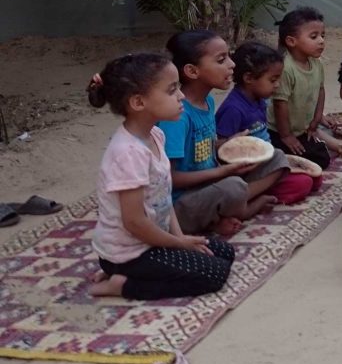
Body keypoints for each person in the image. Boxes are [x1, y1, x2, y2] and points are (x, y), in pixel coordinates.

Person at [86, 53, 235, 299]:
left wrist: (180, 237)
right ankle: (121, 284)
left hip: (151, 241)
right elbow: (134, 222)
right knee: (214, 275)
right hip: (130, 253)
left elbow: (163, 196)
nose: (182, 96)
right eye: (171, 90)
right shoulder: (128, 153)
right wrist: (178, 244)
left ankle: (131, 274)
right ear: (138, 103)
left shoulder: (156, 135)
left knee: (224, 253)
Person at [160, 31, 288, 236]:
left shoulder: (208, 102)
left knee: (278, 157)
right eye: (221, 60)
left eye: (229, 56)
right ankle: (243, 208)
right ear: (193, 71)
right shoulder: (177, 116)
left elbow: (201, 148)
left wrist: (228, 144)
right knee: (234, 186)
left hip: (211, 185)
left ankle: (227, 211)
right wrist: (224, 172)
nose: (232, 65)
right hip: (181, 204)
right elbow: (169, 178)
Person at [216, 41, 316, 204]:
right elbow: (222, 151)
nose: (277, 85)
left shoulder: (260, 100)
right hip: (247, 172)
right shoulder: (233, 109)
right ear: (248, 78)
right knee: (303, 184)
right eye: (273, 80)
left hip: (267, 161)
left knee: (314, 177)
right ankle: (254, 195)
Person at [267, 7, 338, 168]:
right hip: (279, 131)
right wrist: (286, 136)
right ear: (291, 41)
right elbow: (280, 103)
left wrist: (316, 120)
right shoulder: (286, 68)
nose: (321, 41)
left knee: (321, 157)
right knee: (299, 158)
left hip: (303, 129)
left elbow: (320, 90)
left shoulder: (316, 63)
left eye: (322, 35)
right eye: (314, 36)